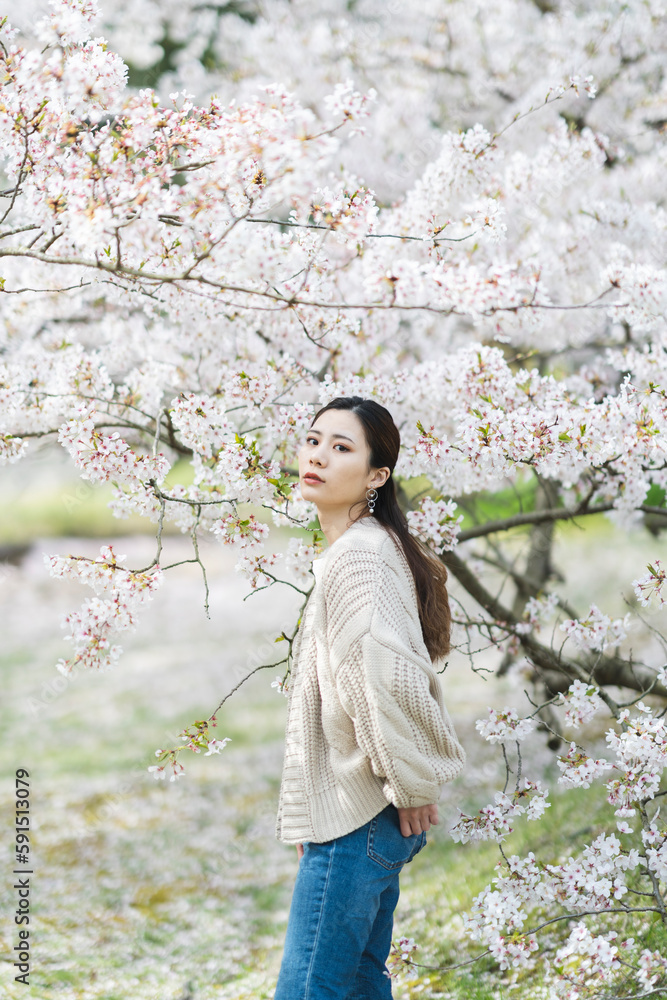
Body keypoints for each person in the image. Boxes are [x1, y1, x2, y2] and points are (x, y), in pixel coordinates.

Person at [274, 396, 466, 1000]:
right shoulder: (365, 549)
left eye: (341, 447)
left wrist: (410, 785)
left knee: (309, 990)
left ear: (377, 476)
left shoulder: (359, 557)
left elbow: (384, 679)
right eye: (313, 440)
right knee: (357, 984)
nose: (318, 456)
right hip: (359, 817)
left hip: (361, 820)